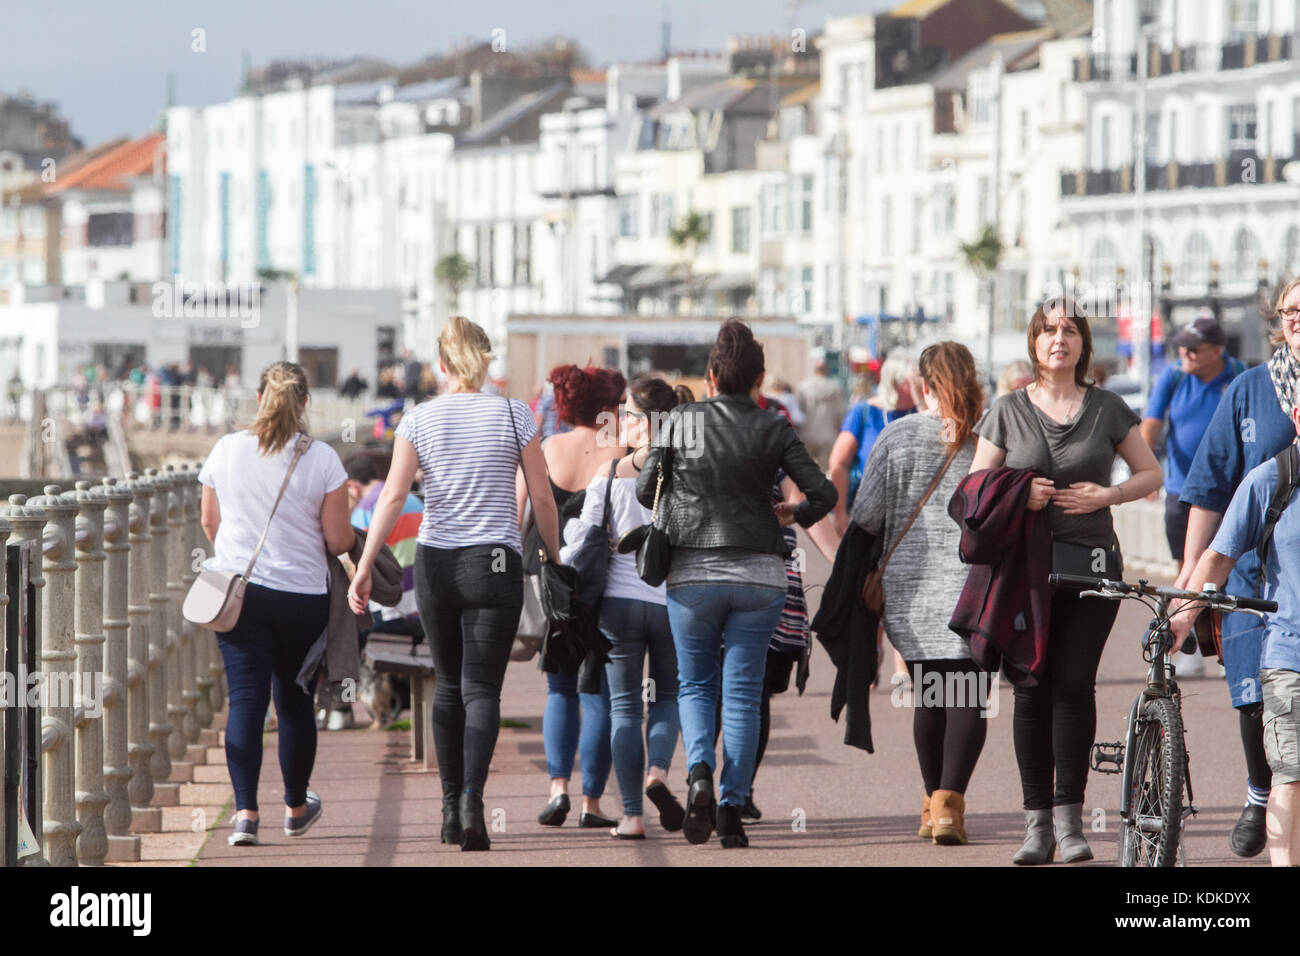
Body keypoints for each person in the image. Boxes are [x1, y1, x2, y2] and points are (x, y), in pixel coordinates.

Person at [348, 316, 561, 852]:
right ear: (487, 360)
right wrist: (556, 558)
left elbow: (393, 499)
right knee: (483, 689)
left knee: (447, 684)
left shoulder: (419, 419)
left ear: (441, 365)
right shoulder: (516, 415)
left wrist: (365, 563)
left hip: (439, 562)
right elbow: (541, 498)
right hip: (495, 561)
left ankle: (447, 807)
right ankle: (472, 800)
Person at [969, 297, 1162, 865]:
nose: (1060, 338)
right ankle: (1036, 827)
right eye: (1049, 330)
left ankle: (1070, 822)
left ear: (1083, 344)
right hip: (1023, 570)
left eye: (1070, 330)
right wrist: (1015, 491)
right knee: (1031, 686)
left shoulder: (1107, 407)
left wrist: (1110, 494)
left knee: (1074, 685)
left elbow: (1150, 471)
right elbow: (974, 489)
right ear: (1034, 343)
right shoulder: (1007, 409)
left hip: (1092, 566)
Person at [632, 318, 836, 848]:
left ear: (710, 375)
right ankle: (730, 808)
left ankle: (698, 770)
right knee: (742, 692)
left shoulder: (680, 421)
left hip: (692, 576)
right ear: (758, 378)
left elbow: (642, 490)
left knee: (696, 684)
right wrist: (790, 512)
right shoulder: (772, 426)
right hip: (761, 577)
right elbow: (826, 495)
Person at [198, 361, 355, 847]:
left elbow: (210, 523)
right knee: (294, 701)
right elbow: (337, 539)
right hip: (301, 598)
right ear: (304, 404)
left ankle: (245, 814)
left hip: (240, 594)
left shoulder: (226, 449)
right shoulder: (324, 458)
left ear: (260, 398)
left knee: (246, 700)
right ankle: (295, 806)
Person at [1175, 278, 1300, 857]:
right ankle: (1260, 789)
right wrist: (1187, 582)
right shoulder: (1250, 392)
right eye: (1289, 309)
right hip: (1251, 578)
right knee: (1254, 699)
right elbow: (1209, 490)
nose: (1296, 317)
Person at [854, 342, 989, 846]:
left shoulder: (896, 436)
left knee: (931, 695)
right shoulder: (989, 439)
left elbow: (867, 515)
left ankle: (934, 805)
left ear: (922, 387)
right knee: (968, 695)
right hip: (973, 588)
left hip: (910, 594)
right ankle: (949, 806)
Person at [559, 375, 685, 839]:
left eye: (626, 416)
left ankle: (631, 815)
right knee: (670, 697)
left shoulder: (610, 474)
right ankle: (658, 774)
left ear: (638, 422)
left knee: (626, 710)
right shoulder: (684, 473)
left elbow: (579, 545)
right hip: (672, 605)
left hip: (618, 606)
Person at [532, 363, 626, 829]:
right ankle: (592, 802)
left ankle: (556, 790)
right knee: (600, 692)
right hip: (609, 580)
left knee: (559, 686)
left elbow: (521, 512)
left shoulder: (548, 447)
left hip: (557, 581)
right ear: (610, 406)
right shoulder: (623, 449)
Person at [323, 452, 424, 730]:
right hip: (425, 612)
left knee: (340, 632)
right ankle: (377, 701)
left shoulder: (365, 511)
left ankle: (340, 709)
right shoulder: (414, 500)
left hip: (395, 615)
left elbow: (352, 569)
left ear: (352, 487)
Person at [1140, 317, 1245, 571]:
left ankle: (1217, 611)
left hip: (1228, 490)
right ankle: (1189, 609)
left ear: (1217, 351)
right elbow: (1151, 425)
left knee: (1224, 566)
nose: (1184, 353)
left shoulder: (1239, 375)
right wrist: (1145, 471)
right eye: (1181, 346)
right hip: (1181, 488)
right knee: (1185, 563)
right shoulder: (1173, 375)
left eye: (1193, 348)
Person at [829, 355, 920, 536]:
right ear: (895, 384)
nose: (921, 386)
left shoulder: (923, 412)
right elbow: (839, 463)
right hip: (870, 513)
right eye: (913, 381)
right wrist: (840, 514)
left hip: (913, 515)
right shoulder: (864, 412)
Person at [795, 358, 844, 469]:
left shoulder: (803, 386)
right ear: (826, 370)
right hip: (829, 435)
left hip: (807, 434)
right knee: (824, 471)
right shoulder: (835, 388)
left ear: (814, 370)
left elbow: (799, 411)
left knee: (805, 470)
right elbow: (840, 413)